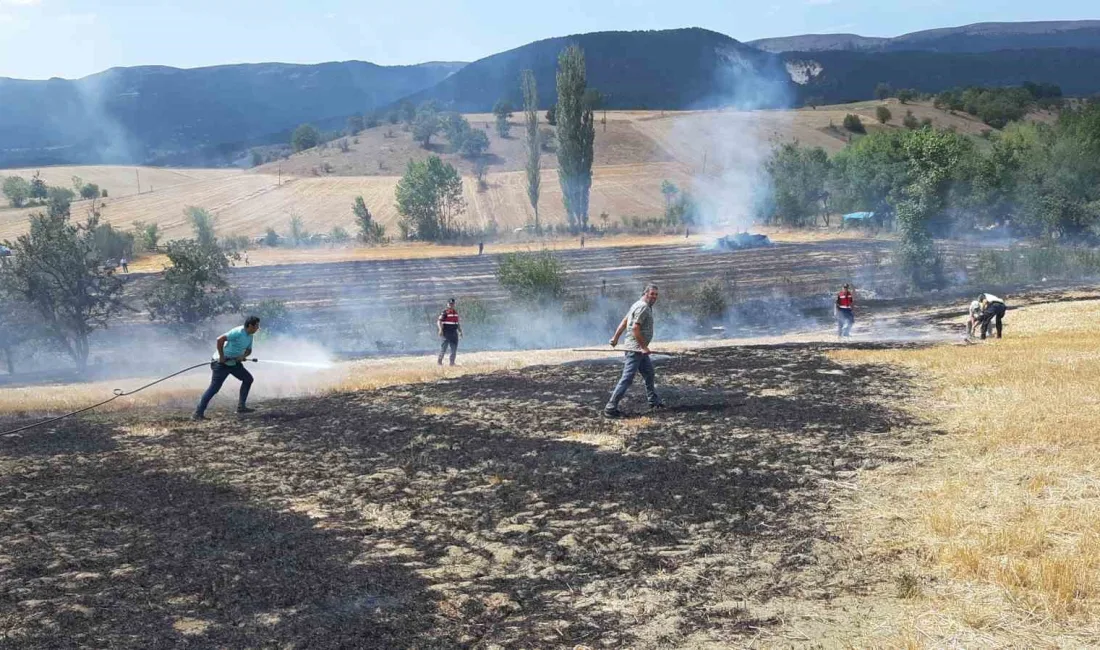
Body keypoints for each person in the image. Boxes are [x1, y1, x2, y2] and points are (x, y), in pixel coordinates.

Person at [604, 284, 663, 418]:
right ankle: (610, 408)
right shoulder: (643, 307)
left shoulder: (637, 304)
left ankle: (653, 401)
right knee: (627, 378)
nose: (654, 297)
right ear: (645, 293)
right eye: (652, 294)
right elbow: (635, 328)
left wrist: (615, 338)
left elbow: (625, 321)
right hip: (635, 350)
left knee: (649, 373)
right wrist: (643, 347)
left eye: (656, 294)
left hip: (638, 350)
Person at [193, 316, 261, 420]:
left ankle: (241, 407)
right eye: (256, 326)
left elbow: (249, 350)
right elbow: (220, 340)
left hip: (234, 363)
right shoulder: (238, 332)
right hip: (221, 364)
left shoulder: (250, 336)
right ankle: (198, 413)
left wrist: (243, 356)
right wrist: (221, 357)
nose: (258, 328)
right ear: (250, 325)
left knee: (248, 379)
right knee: (214, 388)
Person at [437, 298, 462, 366]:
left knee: (454, 349)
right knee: (444, 348)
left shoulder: (455, 312)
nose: (451, 305)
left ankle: (452, 362)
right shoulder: (445, 312)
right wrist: (440, 329)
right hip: (446, 333)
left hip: (454, 332)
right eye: (450, 304)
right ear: (447, 304)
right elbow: (439, 321)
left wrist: (460, 331)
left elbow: (457, 323)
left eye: (452, 304)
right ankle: (439, 362)